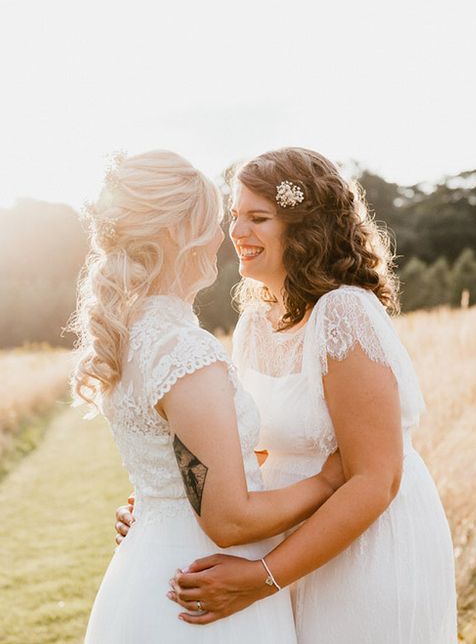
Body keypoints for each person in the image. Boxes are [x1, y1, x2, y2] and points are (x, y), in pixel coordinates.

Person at [118, 147, 458, 642]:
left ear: (305, 227)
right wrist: (163, 501)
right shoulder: (256, 319)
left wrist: (264, 577)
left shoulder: (344, 313)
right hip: (281, 536)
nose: (237, 233)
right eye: (235, 217)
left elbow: (375, 479)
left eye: (258, 217)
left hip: (359, 546)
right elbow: (235, 443)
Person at [74, 150, 343, 643]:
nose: (224, 237)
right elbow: (229, 518)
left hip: (151, 565)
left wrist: (150, 503)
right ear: (179, 232)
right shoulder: (181, 348)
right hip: (201, 589)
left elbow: (179, 463)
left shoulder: (132, 334)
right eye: (215, 221)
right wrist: (329, 481)